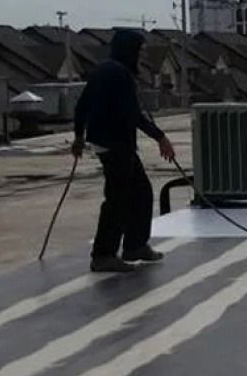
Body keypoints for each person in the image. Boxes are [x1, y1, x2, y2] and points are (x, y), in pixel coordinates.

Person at [71, 29, 177, 273]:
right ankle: (103, 254)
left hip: (106, 142)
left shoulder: (104, 69)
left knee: (140, 192)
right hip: (116, 144)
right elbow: (133, 116)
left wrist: (78, 137)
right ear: (129, 50)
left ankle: (135, 245)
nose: (142, 55)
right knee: (118, 198)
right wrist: (160, 137)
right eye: (140, 50)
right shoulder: (120, 75)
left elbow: (81, 106)